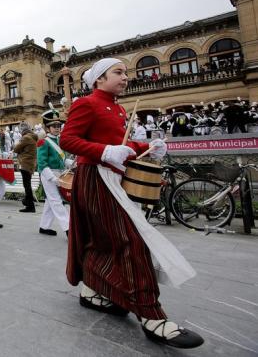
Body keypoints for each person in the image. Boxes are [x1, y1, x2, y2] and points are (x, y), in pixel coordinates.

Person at [60, 58, 203, 348]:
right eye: (119, 73)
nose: (126, 77)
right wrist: (105, 151)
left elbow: (119, 144)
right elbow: (68, 140)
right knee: (130, 241)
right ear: (99, 79)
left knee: (105, 239)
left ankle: (91, 290)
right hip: (95, 177)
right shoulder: (87, 103)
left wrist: (147, 147)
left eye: (126, 72)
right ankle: (152, 316)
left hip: (112, 177)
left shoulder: (118, 107)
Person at [36, 107, 69, 236]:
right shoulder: (43, 142)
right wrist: (52, 178)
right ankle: (68, 228)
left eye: (58, 125)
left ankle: (44, 226)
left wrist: (71, 163)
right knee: (56, 201)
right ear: (47, 128)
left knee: (51, 202)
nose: (57, 128)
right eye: (53, 126)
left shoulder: (59, 140)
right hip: (48, 174)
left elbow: (62, 159)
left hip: (60, 173)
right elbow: (42, 164)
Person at [13, 125, 38, 213]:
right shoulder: (33, 138)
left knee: (27, 186)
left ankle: (29, 205)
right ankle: (29, 204)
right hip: (30, 165)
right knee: (28, 185)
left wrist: (19, 149)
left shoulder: (26, 138)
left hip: (25, 164)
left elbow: (16, 149)